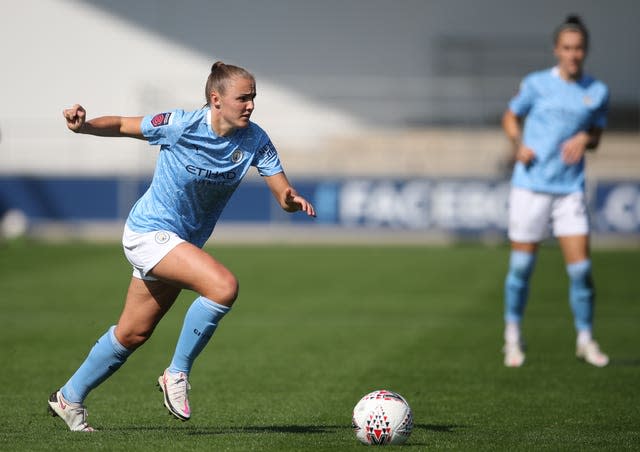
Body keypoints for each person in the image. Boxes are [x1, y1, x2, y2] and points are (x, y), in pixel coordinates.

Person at [48, 61, 316, 431]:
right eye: (243, 98)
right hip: (148, 232)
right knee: (223, 286)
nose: (251, 105)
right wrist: (84, 126)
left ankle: (68, 397)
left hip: (178, 244)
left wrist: (289, 199)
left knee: (133, 333)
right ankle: (176, 374)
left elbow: (281, 190)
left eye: (253, 97)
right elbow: (126, 125)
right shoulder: (180, 124)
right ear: (216, 99)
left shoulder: (256, 140)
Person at [501, 15, 609, 368]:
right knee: (521, 266)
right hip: (531, 186)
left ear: (585, 51)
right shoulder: (535, 84)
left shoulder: (596, 92)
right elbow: (510, 116)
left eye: (578, 48)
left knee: (581, 271)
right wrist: (518, 143)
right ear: (556, 50)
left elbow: (595, 137)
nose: (573, 54)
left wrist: (584, 137)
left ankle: (585, 339)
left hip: (569, 190)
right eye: (567, 48)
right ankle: (513, 336)